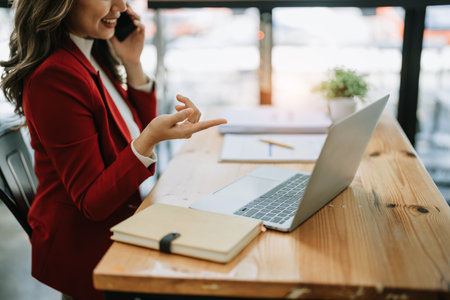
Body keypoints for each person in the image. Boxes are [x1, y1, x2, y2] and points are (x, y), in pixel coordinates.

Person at [0, 0, 226, 299]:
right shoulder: (55, 76)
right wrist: (148, 140)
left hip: (119, 222)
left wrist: (133, 64)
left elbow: (128, 133)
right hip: (89, 250)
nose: (121, 6)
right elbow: (92, 203)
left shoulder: (90, 53)